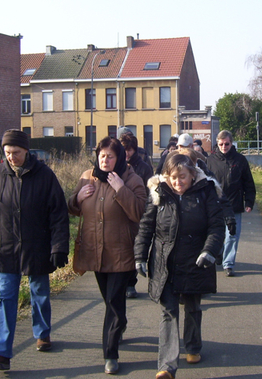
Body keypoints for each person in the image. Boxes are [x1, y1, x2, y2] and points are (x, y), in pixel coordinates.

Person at [0, 129, 70, 371]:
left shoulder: (45, 176)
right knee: (5, 298)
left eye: (15, 152)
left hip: (37, 245)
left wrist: (58, 247)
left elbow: (58, 215)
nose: (11, 157)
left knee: (39, 291)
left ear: (26, 151)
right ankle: (1, 353)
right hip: (5, 247)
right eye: (7, 153)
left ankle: (42, 333)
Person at [134, 154, 225, 379]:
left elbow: (216, 226)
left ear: (192, 175)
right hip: (165, 261)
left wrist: (209, 251)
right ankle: (167, 366)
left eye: (182, 177)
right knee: (169, 311)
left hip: (195, 260)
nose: (177, 182)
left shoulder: (207, 191)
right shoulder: (159, 193)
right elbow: (146, 226)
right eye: (173, 178)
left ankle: (193, 346)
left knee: (192, 307)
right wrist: (139, 256)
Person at [68, 136, 147, 374]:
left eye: (110, 156)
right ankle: (120, 324)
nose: (105, 160)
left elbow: (139, 213)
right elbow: (71, 207)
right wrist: (77, 198)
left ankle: (110, 355)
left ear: (119, 158)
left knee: (113, 302)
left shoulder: (132, 180)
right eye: (102, 156)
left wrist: (120, 189)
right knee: (110, 301)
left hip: (122, 252)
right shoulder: (87, 176)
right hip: (95, 252)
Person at [206, 130, 256, 277]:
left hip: (234, 205)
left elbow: (248, 183)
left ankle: (228, 264)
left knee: (232, 235)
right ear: (217, 144)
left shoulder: (240, 160)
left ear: (231, 143)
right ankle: (219, 253)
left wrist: (249, 202)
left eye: (226, 144)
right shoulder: (211, 160)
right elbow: (205, 182)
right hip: (215, 205)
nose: (224, 146)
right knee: (217, 234)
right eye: (221, 144)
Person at [119, 132, 154, 299]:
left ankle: (131, 283)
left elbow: (150, 192)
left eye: (129, 150)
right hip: (119, 213)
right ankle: (121, 282)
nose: (126, 153)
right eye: (124, 149)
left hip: (138, 213)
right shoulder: (116, 166)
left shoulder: (144, 168)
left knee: (134, 248)